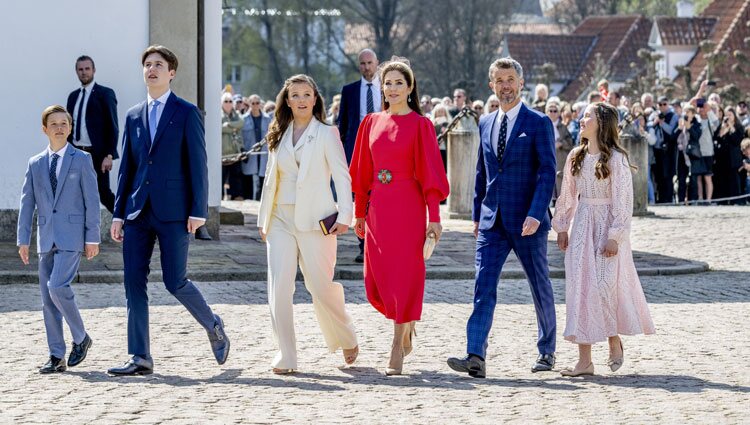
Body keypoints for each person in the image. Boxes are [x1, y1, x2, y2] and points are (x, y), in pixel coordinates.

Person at [107, 45, 229, 376]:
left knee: (175, 281)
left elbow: (198, 165)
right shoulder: (133, 115)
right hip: (136, 213)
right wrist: (118, 214)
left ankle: (213, 324)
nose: (152, 69)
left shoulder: (187, 112)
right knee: (133, 281)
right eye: (147, 64)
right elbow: (127, 169)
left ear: (171, 72)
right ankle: (140, 357)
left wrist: (198, 210)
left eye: (158, 64)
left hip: (174, 212)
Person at [447, 57, 557, 378]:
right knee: (483, 286)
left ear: (520, 84)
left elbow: (548, 172)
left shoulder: (538, 123)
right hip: (491, 221)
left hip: (528, 222)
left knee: (539, 285)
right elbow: (482, 173)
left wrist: (537, 213)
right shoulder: (484, 123)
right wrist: (476, 215)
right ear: (491, 85)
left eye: (510, 79)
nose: (505, 86)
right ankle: (475, 355)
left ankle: (547, 351)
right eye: (499, 80)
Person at [350, 58, 449, 375]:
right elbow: (362, 173)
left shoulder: (421, 125)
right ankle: (406, 326)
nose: (392, 88)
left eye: (398, 83)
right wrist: (358, 213)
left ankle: (397, 345)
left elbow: (431, 177)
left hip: (408, 208)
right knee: (377, 279)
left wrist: (434, 218)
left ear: (410, 88)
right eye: (387, 83)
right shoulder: (370, 122)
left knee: (405, 276)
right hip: (378, 207)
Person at [257, 74, 359, 374]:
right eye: (295, 95)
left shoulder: (327, 133)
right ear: (287, 100)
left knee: (320, 286)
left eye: (306, 94)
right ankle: (285, 354)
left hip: (317, 222)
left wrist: (345, 216)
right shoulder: (277, 132)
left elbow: (342, 176)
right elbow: (269, 180)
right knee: (279, 288)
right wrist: (264, 219)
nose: (301, 100)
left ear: (315, 99)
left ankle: (347, 335)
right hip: (279, 219)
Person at [552, 102, 655, 377]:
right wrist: (562, 226)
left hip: (606, 227)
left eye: (588, 116)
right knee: (580, 289)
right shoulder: (576, 156)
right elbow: (568, 194)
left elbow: (623, 201)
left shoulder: (616, 159)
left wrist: (615, 235)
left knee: (604, 285)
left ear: (601, 123)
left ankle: (613, 340)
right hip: (582, 225)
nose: (582, 119)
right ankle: (584, 360)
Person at [17, 105, 100, 374]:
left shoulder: (82, 159)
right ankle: (56, 355)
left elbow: (92, 201)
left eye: (64, 123)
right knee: (47, 299)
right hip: (45, 237)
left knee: (57, 286)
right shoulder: (35, 163)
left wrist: (93, 238)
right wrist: (23, 240)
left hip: (72, 237)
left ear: (70, 128)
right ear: (45, 129)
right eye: (54, 124)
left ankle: (81, 337)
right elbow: (27, 203)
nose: (60, 127)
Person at [338, 48, 381, 263]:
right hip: (358, 149)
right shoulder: (350, 91)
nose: (366, 67)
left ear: (377, 63)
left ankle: (381, 243)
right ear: (359, 66)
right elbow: (343, 124)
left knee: (381, 196)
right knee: (361, 198)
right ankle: (363, 246)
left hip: (383, 149)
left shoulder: (387, 89)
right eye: (363, 63)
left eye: (370, 62)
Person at [66, 55, 119, 213]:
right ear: (76, 72)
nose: (84, 72)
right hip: (76, 153)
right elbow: (68, 125)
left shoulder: (105, 94)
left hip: (97, 155)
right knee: (75, 193)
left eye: (87, 69)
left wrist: (109, 155)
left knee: (103, 193)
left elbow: (113, 126)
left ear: (94, 70)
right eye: (80, 69)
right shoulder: (73, 96)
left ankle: (129, 223)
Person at [241, 94, 271, 201]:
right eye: (252, 103)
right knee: (248, 178)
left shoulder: (267, 119)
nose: (255, 105)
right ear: (249, 104)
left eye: (257, 103)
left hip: (264, 153)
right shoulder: (243, 119)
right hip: (250, 153)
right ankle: (248, 200)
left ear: (260, 104)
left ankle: (261, 201)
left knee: (263, 178)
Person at [713, 107, 745, 203]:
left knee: (734, 180)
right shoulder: (721, 126)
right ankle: (722, 200)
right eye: (726, 115)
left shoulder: (739, 127)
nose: (728, 117)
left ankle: (735, 200)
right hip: (722, 158)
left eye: (730, 115)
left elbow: (737, 140)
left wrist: (731, 127)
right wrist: (722, 129)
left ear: (734, 116)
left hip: (733, 158)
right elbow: (716, 138)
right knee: (722, 179)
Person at [547, 101, 574, 199]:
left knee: (560, 181)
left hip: (560, 158)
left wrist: (561, 143)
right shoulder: (542, 125)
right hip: (547, 158)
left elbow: (570, 142)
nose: (553, 113)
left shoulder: (563, 127)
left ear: (558, 113)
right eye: (550, 111)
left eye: (555, 111)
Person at [221, 92, 244, 200]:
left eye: (230, 101)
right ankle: (219, 197)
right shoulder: (218, 114)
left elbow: (241, 123)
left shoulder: (236, 114)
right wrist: (233, 128)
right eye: (226, 101)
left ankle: (236, 196)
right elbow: (219, 127)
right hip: (222, 152)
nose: (228, 103)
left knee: (236, 176)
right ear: (222, 103)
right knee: (221, 176)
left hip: (235, 152)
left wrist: (228, 126)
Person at [677, 105, 702, 203]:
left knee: (693, 179)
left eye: (688, 112)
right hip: (682, 155)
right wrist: (680, 128)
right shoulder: (680, 123)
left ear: (693, 114)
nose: (686, 115)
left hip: (692, 155)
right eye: (685, 112)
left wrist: (689, 127)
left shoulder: (697, 124)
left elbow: (696, 137)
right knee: (681, 179)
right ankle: (681, 200)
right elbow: (673, 137)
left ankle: (693, 200)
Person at [431, 103, 452, 171]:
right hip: (435, 149)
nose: (440, 114)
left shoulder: (449, 123)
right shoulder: (431, 123)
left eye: (442, 112)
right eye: (439, 112)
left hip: (445, 149)